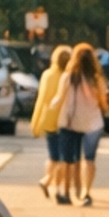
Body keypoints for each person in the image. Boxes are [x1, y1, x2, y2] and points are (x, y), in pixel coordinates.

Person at [56, 41, 109, 207]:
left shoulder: (68, 77)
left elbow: (59, 98)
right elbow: (103, 101)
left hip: (71, 122)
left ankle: (66, 191)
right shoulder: (96, 79)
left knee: (70, 161)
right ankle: (85, 192)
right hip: (93, 124)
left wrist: (50, 109)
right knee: (89, 160)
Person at [31, 43, 73, 203]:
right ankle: (51, 182)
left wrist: (35, 122)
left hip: (49, 118)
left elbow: (41, 100)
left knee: (53, 157)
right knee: (63, 158)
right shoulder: (70, 76)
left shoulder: (47, 75)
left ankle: (48, 181)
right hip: (65, 120)